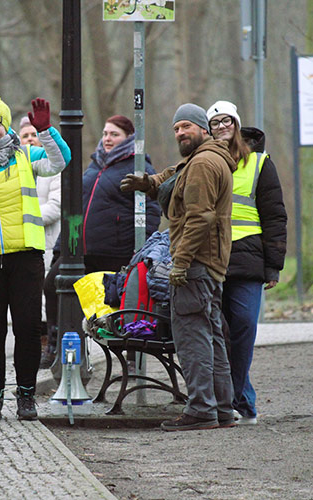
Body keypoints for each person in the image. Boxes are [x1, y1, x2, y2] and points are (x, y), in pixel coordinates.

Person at [0, 91, 71, 421]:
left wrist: (47, 130)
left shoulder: (25, 155)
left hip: (25, 256)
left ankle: (26, 396)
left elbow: (61, 162)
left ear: (6, 126)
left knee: (27, 328)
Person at [121, 103, 237, 431]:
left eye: (186, 126)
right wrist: (148, 182)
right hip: (210, 265)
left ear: (204, 129)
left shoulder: (203, 163)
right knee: (211, 335)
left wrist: (180, 262)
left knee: (192, 337)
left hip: (196, 265)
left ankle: (201, 409)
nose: (180, 133)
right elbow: (172, 175)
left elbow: (201, 217)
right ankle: (221, 408)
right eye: (176, 128)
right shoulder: (203, 159)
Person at [40, 115, 162, 369]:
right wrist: (62, 247)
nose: (107, 138)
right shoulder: (94, 165)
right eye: (106, 133)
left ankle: (127, 354)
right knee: (53, 285)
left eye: (114, 134)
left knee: (115, 304)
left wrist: (140, 252)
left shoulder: (139, 167)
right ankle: (56, 345)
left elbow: (151, 211)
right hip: (80, 251)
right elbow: (76, 208)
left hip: (115, 251)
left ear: (128, 138)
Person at [206, 100, 287, 425]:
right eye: (215, 123)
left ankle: (231, 400)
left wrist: (273, 266)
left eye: (227, 121)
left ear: (236, 125)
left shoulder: (260, 163)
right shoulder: (205, 161)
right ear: (209, 130)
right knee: (217, 332)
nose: (222, 126)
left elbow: (275, 216)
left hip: (248, 260)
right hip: (211, 256)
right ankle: (240, 402)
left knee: (242, 326)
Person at [18, 115, 61, 360]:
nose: (30, 139)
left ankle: (47, 347)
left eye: (34, 135)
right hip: (20, 243)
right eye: (25, 136)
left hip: (46, 241)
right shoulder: (14, 166)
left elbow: (55, 207)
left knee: (45, 295)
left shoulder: (51, 169)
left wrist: (23, 218)